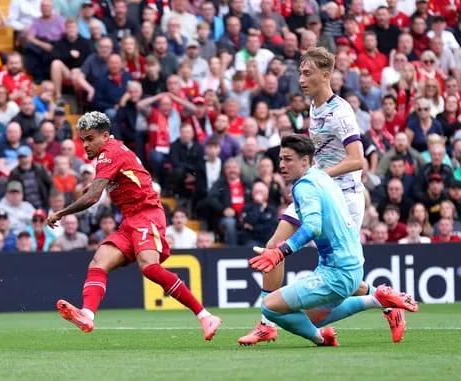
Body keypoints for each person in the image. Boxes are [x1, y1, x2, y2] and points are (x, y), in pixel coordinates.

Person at [238, 47, 405, 346]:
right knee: (272, 247)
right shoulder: (314, 107)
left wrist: (316, 177)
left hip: (343, 196)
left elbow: (357, 160)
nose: (301, 79)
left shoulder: (340, 112)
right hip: (314, 191)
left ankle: (385, 302)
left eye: (308, 73)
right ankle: (266, 325)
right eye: (300, 72)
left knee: (339, 279)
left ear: (325, 75)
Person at [46, 111, 221, 339]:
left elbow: (93, 198)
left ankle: (205, 315)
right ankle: (88, 314)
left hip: (147, 214)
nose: (85, 145)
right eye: (82, 140)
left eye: (90, 139)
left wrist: (61, 212)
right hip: (130, 219)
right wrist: (91, 188)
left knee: (149, 267)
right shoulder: (110, 153)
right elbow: (113, 181)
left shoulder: (109, 153)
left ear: (105, 136)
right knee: (99, 262)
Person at [246, 134, 418, 347]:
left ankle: (320, 337)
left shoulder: (304, 187)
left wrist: (280, 252)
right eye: (280, 159)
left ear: (305, 160)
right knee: (309, 318)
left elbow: (312, 227)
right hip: (353, 266)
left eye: (288, 159)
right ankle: (379, 297)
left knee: (269, 306)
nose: (282, 164)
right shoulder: (321, 177)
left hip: (336, 274)